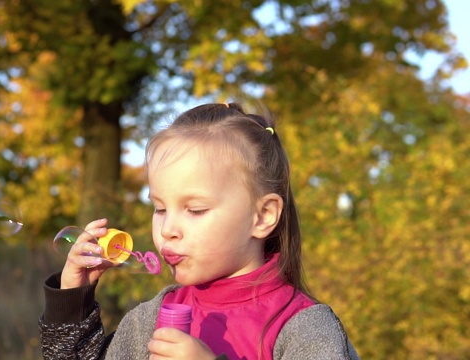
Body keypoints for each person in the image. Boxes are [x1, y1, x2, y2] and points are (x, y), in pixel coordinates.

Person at [39, 103, 359, 360]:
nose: (168, 229)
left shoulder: (304, 327)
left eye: (195, 210)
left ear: (262, 216)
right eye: (160, 208)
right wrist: (72, 298)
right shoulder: (150, 319)